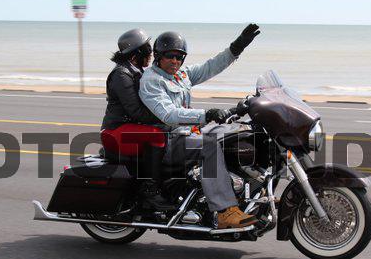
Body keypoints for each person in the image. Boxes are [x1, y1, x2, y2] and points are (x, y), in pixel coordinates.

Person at [139, 24, 261, 229]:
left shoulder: (181, 75)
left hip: (188, 133)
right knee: (209, 146)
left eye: (180, 57)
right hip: (168, 140)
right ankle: (224, 210)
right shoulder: (151, 80)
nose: (175, 61)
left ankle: (251, 191)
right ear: (158, 56)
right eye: (170, 56)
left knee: (235, 133)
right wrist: (207, 114)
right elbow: (168, 115)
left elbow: (210, 67)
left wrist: (237, 46)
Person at [100, 28, 173, 211]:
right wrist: (167, 118)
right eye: (147, 50)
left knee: (171, 133)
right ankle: (150, 189)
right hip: (116, 130)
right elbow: (136, 111)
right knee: (157, 135)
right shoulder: (121, 75)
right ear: (135, 54)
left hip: (129, 126)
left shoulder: (136, 71)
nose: (151, 54)